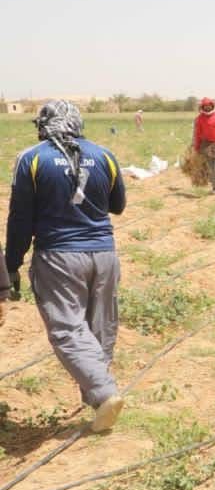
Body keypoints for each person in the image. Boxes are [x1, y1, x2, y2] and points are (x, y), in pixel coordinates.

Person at [5, 101, 129, 432]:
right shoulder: (104, 156)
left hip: (58, 256)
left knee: (68, 328)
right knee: (100, 325)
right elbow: (117, 205)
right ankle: (99, 397)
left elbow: (20, 218)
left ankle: (103, 393)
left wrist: (11, 263)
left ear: (44, 125)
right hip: (103, 253)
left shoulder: (32, 159)